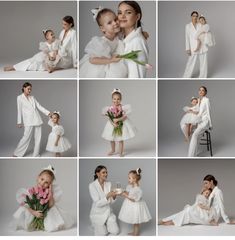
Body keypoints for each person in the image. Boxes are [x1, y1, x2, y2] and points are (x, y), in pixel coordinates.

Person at [12, 165, 75, 232]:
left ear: (49, 185)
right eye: (42, 179)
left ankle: (42, 224)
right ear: (38, 177)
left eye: (46, 182)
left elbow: (51, 205)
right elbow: (26, 205)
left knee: (52, 209)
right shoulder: (32, 191)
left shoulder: (48, 192)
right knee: (24, 208)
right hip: (33, 212)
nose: (42, 183)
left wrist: (50, 193)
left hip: (43, 212)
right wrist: (34, 212)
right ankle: (32, 223)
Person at [79, 7, 127, 78]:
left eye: (115, 19)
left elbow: (130, 32)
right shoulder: (101, 42)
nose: (115, 23)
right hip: (100, 65)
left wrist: (141, 33)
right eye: (109, 23)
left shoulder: (119, 34)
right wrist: (110, 60)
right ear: (102, 28)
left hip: (112, 64)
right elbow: (92, 60)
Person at [13, 82, 51, 157]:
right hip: (28, 120)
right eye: (28, 89)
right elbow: (19, 110)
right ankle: (17, 153)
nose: (30, 90)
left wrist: (48, 113)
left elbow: (39, 106)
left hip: (37, 119)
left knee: (38, 138)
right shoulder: (19, 98)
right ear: (24, 88)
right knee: (26, 137)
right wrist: (19, 122)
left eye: (30, 89)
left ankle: (36, 154)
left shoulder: (32, 97)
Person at [118, 1, 149, 78]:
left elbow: (136, 75)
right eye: (119, 13)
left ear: (137, 17)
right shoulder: (122, 39)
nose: (122, 16)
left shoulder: (136, 41)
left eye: (128, 12)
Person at [102, 88, 136, 157]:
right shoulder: (110, 108)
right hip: (112, 125)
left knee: (120, 139)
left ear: (120, 100)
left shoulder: (122, 107)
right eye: (114, 99)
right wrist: (113, 123)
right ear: (112, 99)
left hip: (121, 123)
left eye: (118, 99)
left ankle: (120, 152)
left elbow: (125, 116)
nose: (116, 100)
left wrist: (118, 120)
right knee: (111, 139)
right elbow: (109, 117)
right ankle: (113, 150)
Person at [118, 168, 151, 236]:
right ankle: (134, 232)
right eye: (128, 178)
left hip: (136, 206)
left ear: (135, 179)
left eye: (129, 178)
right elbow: (128, 192)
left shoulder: (137, 189)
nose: (128, 179)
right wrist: (122, 191)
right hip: (131, 205)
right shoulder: (130, 186)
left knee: (136, 221)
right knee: (134, 219)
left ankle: (136, 234)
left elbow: (134, 199)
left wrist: (125, 195)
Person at [89, 165, 119, 236]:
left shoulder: (108, 184)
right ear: (98, 174)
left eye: (106, 172)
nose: (106, 174)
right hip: (98, 213)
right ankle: (97, 224)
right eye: (103, 172)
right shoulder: (92, 185)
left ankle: (107, 222)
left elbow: (111, 201)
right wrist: (108, 195)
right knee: (102, 234)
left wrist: (114, 196)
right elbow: (97, 204)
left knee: (115, 231)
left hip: (108, 211)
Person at [184, 86, 212, 157]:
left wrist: (210, 124)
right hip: (199, 122)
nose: (201, 91)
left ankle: (191, 156)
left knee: (194, 135)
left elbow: (208, 112)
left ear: (205, 92)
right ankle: (193, 154)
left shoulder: (206, 100)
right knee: (193, 133)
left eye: (203, 90)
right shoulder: (199, 100)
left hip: (205, 122)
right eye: (200, 90)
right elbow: (197, 111)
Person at [183, 11, 209, 78]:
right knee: (190, 63)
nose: (195, 17)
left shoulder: (199, 24)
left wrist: (204, 20)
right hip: (193, 47)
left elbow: (206, 28)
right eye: (194, 16)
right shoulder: (188, 26)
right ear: (191, 16)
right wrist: (187, 48)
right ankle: (186, 76)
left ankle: (203, 76)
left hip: (202, 46)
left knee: (203, 63)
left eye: (196, 16)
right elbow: (187, 37)